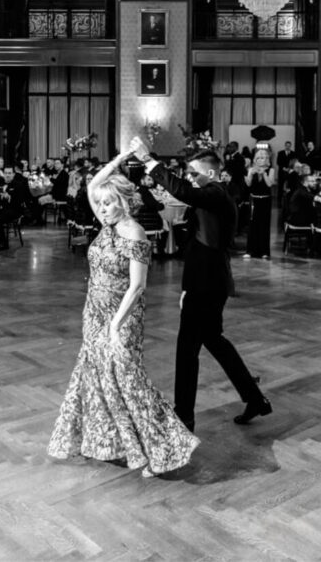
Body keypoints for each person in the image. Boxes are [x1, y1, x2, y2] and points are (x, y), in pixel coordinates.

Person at [47, 153, 199, 477]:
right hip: (93, 314)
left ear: (125, 203)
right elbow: (91, 185)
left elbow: (138, 286)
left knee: (131, 384)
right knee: (98, 378)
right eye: (99, 204)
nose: (100, 209)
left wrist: (116, 325)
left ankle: (164, 452)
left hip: (123, 317)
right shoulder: (108, 223)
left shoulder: (135, 233)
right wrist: (122, 157)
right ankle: (113, 443)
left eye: (108, 203)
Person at [130, 137, 272, 432]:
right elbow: (196, 244)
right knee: (215, 342)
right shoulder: (211, 195)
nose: (189, 178)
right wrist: (185, 286)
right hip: (206, 281)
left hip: (207, 284)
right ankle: (254, 398)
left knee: (187, 349)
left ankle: (184, 416)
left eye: (193, 173)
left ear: (210, 173)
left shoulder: (216, 193)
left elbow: (181, 191)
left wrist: (148, 160)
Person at [243, 147, 275, 260]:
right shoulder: (251, 169)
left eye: (264, 157)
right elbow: (248, 184)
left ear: (267, 159)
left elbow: (270, 184)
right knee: (253, 225)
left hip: (265, 200)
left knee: (264, 225)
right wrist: (250, 174)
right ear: (256, 159)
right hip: (254, 200)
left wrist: (264, 173)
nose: (262, 159)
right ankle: (250, 251)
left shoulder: (271, 170)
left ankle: (264, 252)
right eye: (259, 157)